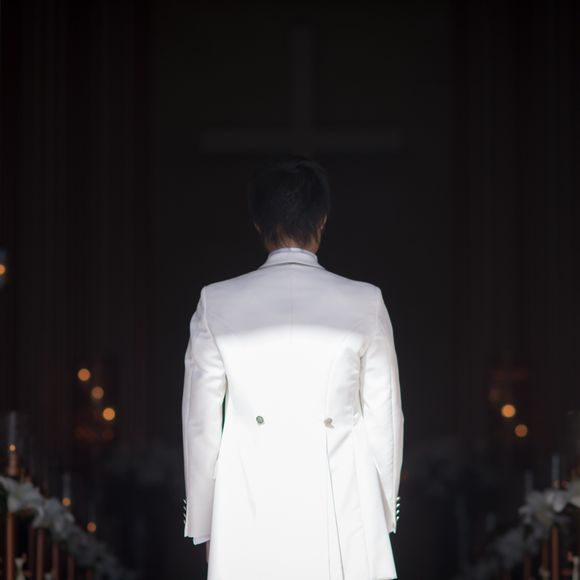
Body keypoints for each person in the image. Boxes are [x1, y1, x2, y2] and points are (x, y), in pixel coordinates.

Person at [181, 156, 404, 580]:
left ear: (258, 223)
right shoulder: (365, 300)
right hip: (342, 496)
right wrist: (380, 517)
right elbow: (385, 419)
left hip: (247, 500)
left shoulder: (217, 301)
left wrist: (206, 525)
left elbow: (201, 425)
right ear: (322, 220)